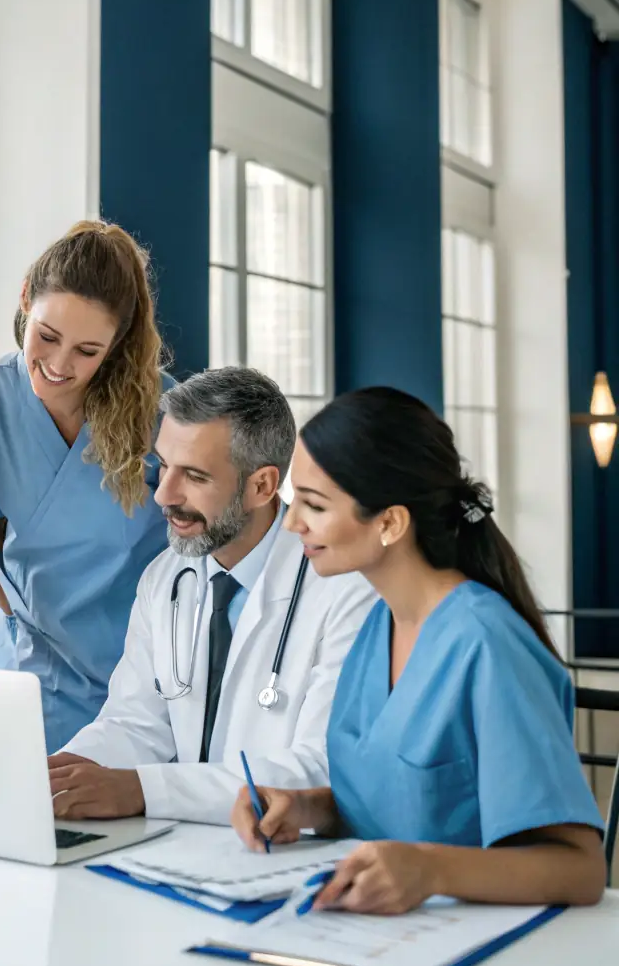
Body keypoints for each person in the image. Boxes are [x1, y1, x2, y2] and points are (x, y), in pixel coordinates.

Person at [232, 387, 606, 911]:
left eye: (314, 506)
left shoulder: (487, 645)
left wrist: (429, 871)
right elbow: (401, 801)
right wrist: (306, 808)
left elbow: (580, 869)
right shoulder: (374, 628)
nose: (291, 523)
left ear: (389, 522)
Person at [48, 368, 375, 824]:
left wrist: (146, 790)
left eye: (195, 477)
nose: (164, 495)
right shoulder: (165, 579)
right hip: (182, 842)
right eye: (163, 465)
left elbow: (318, 768)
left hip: (283, 852)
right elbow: (135, 723)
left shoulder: (346, 591)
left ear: (262, 486)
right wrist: (58, 777)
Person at [0, 221, 171, 751]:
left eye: (87, 351)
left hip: (143, 673)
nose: (58, 364)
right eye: (46, 336)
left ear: (116, 344)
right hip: (35, 666)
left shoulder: (164, 415)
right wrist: (14, 614)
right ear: (26, 298)